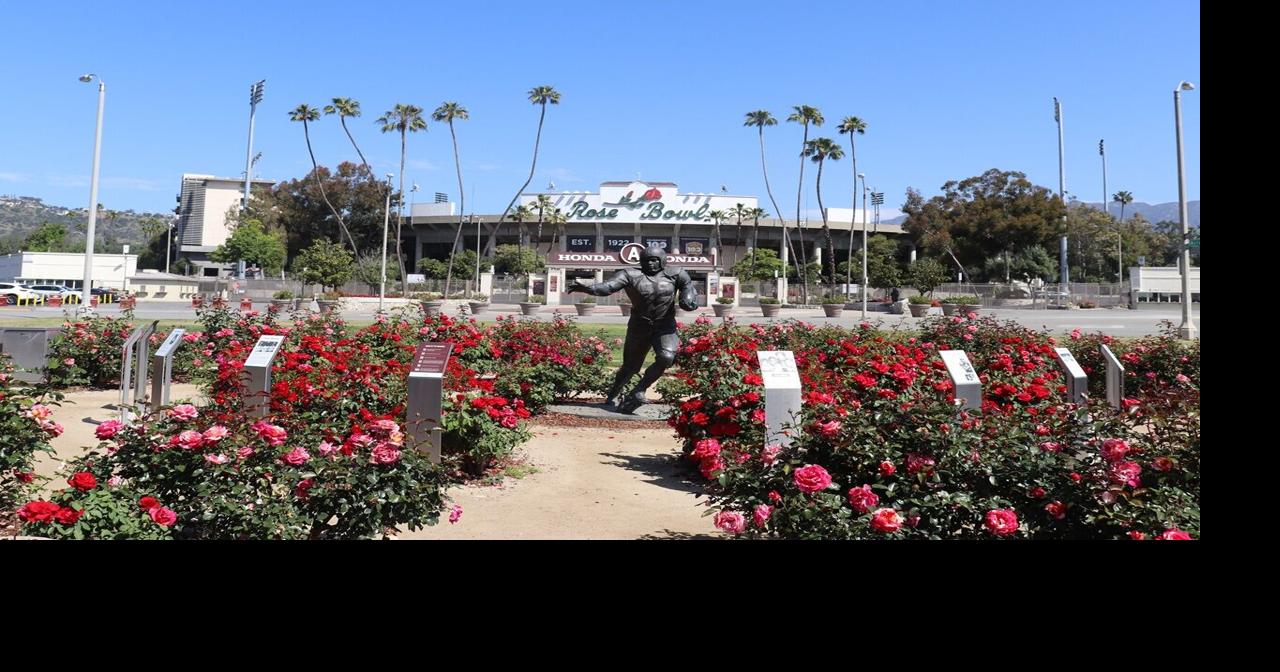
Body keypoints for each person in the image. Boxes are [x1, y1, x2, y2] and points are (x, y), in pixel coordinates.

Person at [567, 245, 698, 413]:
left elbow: (688, 291)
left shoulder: (677, 274)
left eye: (654, 260)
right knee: (631, 367)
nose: (650, 264)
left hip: (664, 326)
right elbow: (609, 286)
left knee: (666, 357)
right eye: (646, 261)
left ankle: (639, 389)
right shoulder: (630, 274)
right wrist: (588, 288)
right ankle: (613, 395)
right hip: (639, 326)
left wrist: (688, 300)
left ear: (663, 261)